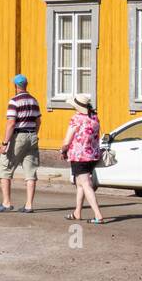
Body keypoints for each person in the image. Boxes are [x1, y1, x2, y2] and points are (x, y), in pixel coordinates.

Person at [0, 74, 41, 213]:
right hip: (32, 135)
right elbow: (38, 121)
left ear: (15, 86)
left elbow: (11, 123)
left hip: (18, 136)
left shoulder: (14, 101)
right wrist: (34, 134)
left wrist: (5, 142)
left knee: (5, 169)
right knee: (30, 171)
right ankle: (29, 205)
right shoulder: (34, 101)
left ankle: (7, 203)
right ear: (27, 84)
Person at [61, 92, 106, 224]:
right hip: (92, 155)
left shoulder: (76, 119)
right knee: (80, 184)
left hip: (79, 156)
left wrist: (63, 150)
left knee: (85, 184)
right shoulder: (95, 118)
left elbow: (68, 139)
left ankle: (98, 215)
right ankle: (77, 212)